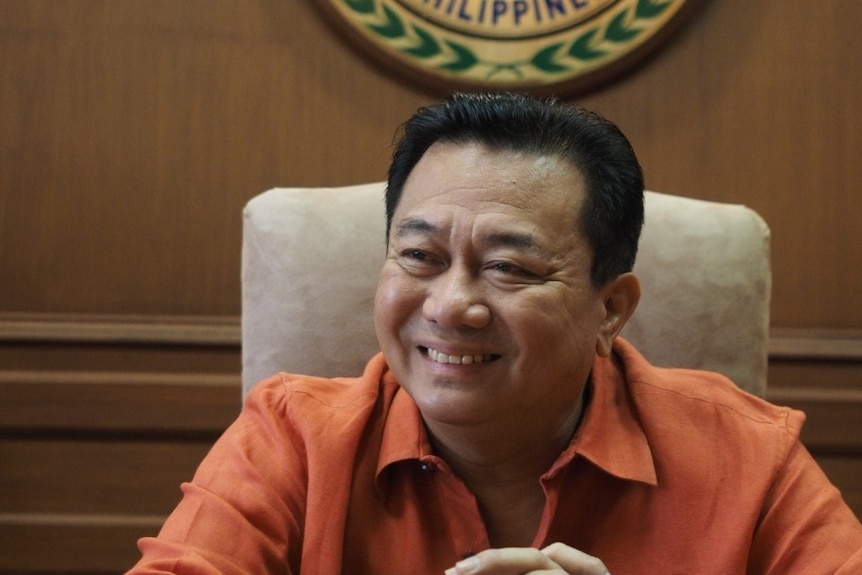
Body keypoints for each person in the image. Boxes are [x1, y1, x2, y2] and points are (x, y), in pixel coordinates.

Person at [125, 92, 862, 574]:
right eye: (420, 256)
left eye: (509, 267)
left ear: (611, 309)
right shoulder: (292, 438)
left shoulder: (748, 457)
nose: (451, 305)